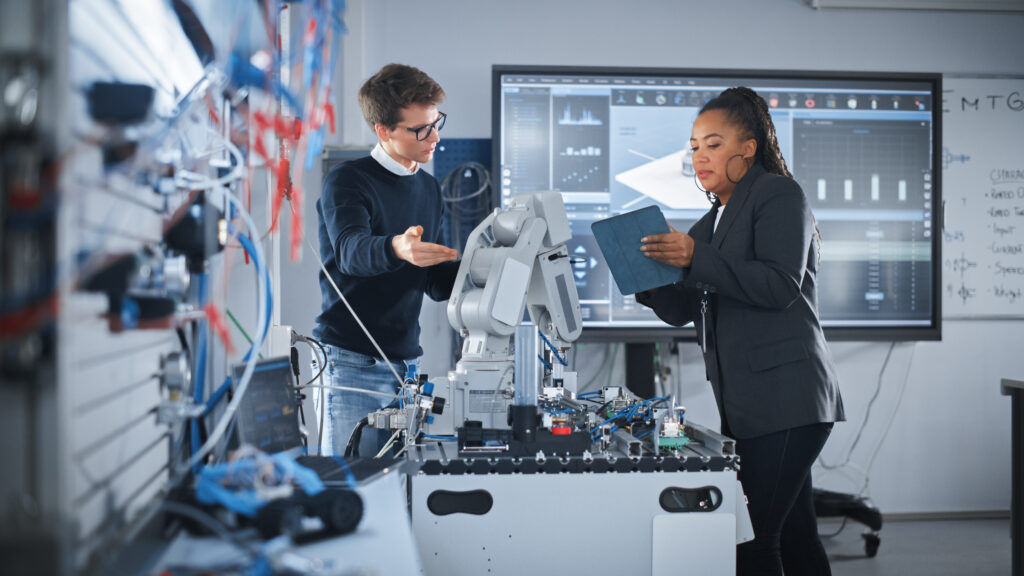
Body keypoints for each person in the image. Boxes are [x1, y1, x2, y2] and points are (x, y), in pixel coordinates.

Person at [636, 86, 845, 576]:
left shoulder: (777, 194)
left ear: (748, 147)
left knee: (752, 542)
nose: (699, 157)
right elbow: (680, 309)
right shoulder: (712, 221)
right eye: (693, 147)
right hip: (751, 405)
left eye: (712, 143)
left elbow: (778, 287)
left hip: (786, 400)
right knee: (795, 537)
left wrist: (693, 258)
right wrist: (644, 276)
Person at [313, 63, 459, 458]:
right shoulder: (347, 180)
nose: (435, 137)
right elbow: (350, 252)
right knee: (351, 489)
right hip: (352, 365)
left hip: (407, 366)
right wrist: (397, 247)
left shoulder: (428, 187)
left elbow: (434, 283)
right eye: (420, 129)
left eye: (436, 122)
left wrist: (482, 269)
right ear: (384, 131)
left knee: (399, 491)